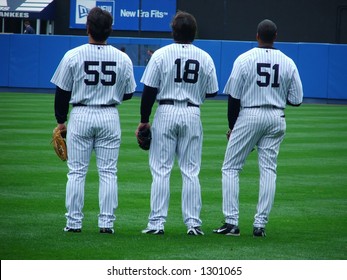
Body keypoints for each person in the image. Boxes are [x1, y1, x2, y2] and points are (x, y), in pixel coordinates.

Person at [213, 19, 303, 237]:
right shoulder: (288, 62)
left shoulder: (244, 59)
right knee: (268, 170)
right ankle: (260, 225)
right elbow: (297, 99)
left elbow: (233, 98)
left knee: (231, 168)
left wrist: (233, 128)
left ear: (257, 36)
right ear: (276, 36)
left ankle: (232, 223)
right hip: (276, 116)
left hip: (250, 113)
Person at [50, 7, 136, 234]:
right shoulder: (123, 58)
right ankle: (106, 223)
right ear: (110, 30)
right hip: (109, 115)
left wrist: (61, 121)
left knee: (77, 172)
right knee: (108, 172)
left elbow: (62, 93)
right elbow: (127, 94)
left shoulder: (73, 55)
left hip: (80, 115)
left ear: (88, 28)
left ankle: (74, 223)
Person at [137, 11, 219, 236]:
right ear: (194, 32)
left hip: (165, 111)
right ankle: (193, 224)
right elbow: (212, 92)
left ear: (173, 31)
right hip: (192, 113)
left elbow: (149, 92)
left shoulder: (161, 54)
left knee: (161, 171)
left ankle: (156, 224)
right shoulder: (205, 56)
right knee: (191, 171)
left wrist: (144, 121)